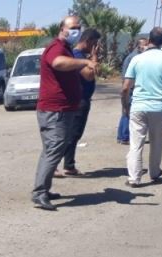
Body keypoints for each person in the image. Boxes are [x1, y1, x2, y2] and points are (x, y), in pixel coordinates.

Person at [31, 15, 99, 211]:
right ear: (62, 29)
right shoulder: (56, 48)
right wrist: (83, 62)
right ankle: (40, 193)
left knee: (52, 150)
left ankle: (44, 189)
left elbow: (86, 75)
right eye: (73, 27)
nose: (77, 31)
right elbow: (58, 63)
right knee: (53, 151)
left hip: (63, 109)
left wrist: (87, 61)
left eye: (79, 27)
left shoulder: (66, 48)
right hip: (55, 111)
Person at [121, 27, 162, 187]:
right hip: (160, 106)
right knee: (157, 141)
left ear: (148, 40)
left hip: (138, 106)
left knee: (136, 143)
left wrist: (125, 105)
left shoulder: (137, 59)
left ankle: (134, 178)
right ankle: (154, 172)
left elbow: (125, 87)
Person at [60, 28, 102, 177]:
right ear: (88, 41)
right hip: (79, 100)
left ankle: (67, 164)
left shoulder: (83, 57)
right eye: (95, 43)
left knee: (74, 134)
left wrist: (93, 59)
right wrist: (94, 57)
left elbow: (96, 72)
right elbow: (89, 75)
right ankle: (68, 165)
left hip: (83, 99)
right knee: (73, 134)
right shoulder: (77, 56)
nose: (96, 47)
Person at [117, 37, 148, 144]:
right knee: (129, 112)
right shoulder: (135, 57)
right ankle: (125, 137)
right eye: (145, 45)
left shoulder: (133, 56)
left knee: (125, 112)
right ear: (139, 46)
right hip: (130, 88)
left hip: (129, 87)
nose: (147, 47)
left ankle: (121, 136)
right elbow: (129, 76)